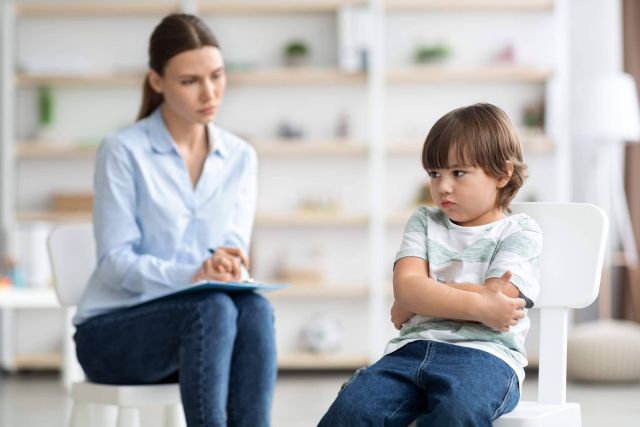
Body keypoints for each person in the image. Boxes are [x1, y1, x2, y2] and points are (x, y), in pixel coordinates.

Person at [72, 14, 276, 427]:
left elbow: (233, 245)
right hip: (113, 334)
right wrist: (195, 273)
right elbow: (114, 262)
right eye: (190, 81)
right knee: (213, 307)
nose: (210, 92)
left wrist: (228, 265)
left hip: (204, 333)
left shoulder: (240, 157)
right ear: (156, 81)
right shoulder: (123, 151)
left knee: (253, 308)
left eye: (217, 76)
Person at [319, 103, 542, 427]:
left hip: (487, 357)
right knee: (350, 410)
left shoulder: (520, 231)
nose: (442, 186)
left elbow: (500, 301)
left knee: (458, 412)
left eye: (458, 173)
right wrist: (471, 301)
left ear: (502, 174)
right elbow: (408, 288)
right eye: (435, 173)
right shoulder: (424, 221)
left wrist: (424, 295)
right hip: (410, 351)